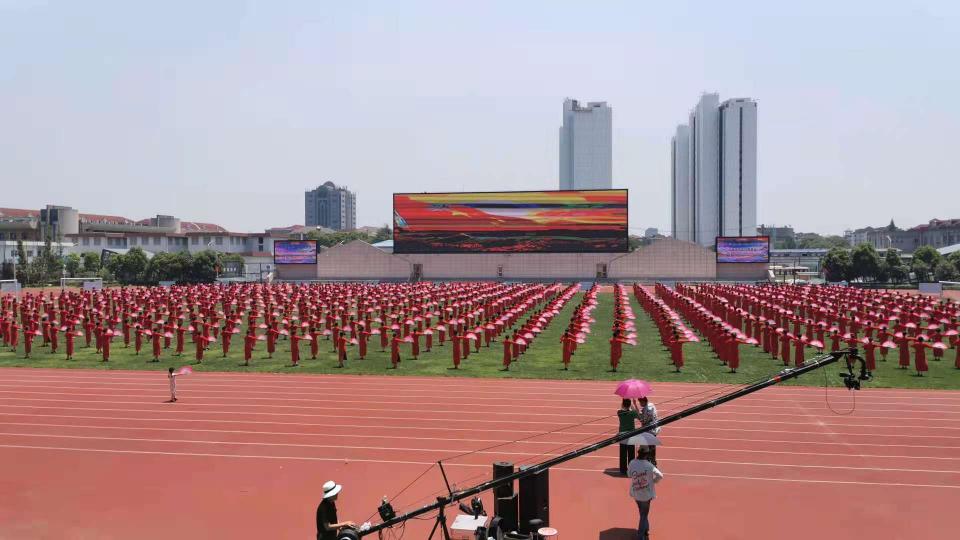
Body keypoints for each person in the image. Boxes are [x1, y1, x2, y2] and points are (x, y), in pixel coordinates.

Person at [628, 449, 663, 540]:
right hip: (647, 495)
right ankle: (640, 536)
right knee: (643, 515)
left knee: (642, 513)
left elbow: (629, 474)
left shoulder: (632, 462)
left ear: (638, 453)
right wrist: (653, 481)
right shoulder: (649, 465)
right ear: (646, 455)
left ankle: (646, 529)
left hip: (636, 493)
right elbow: (660, 475)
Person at [617, 398, 639, 475]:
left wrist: (624, 402)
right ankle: (631, 468)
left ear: (623, 404)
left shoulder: (619, 412)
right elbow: (638, 415)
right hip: (631, 434)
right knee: (631, 453)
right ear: (629, 405)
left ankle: (622, 470)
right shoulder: (632, 413)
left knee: (622, 453)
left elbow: (622, 409)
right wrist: (634, 404)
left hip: (622, 435)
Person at [637, 397, 660, 465]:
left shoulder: (648, 409)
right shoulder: (651, 405)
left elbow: (644, 420)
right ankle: (652, 461)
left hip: (650, 430)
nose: (640, 404)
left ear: (643, 401)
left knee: (650, 447)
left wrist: (638, 414)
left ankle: (651, 462)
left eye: (640, 402)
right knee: (651, 447)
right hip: (653, 429)